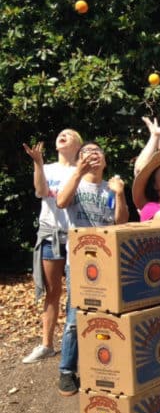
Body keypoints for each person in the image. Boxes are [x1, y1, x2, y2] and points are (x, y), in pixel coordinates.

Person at [55, 141, 129, 395]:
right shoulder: (75, 183)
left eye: (97, 152)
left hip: (107, 263)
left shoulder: (111, 188)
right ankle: (66, 371)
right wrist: (77, 171)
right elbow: (62, 202)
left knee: (107, 318)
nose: (92, 155)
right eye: (86, 152)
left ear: (105, 161)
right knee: (76, 318)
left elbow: (121, 222)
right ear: (78, 160)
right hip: (78, 263)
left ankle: (102, 369)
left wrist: (120, 193)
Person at [21, 129, 82, 364]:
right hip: (51, 236)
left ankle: (75, 346)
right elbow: (40, 192)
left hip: (77, 238)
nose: (62, 135)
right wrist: (38, 163)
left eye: (69, 134)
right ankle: (47, 344)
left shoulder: (81, 171)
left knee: (78, 295)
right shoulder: (47, 169)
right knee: (53, 292)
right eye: (60, 134)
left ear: (78, 144)